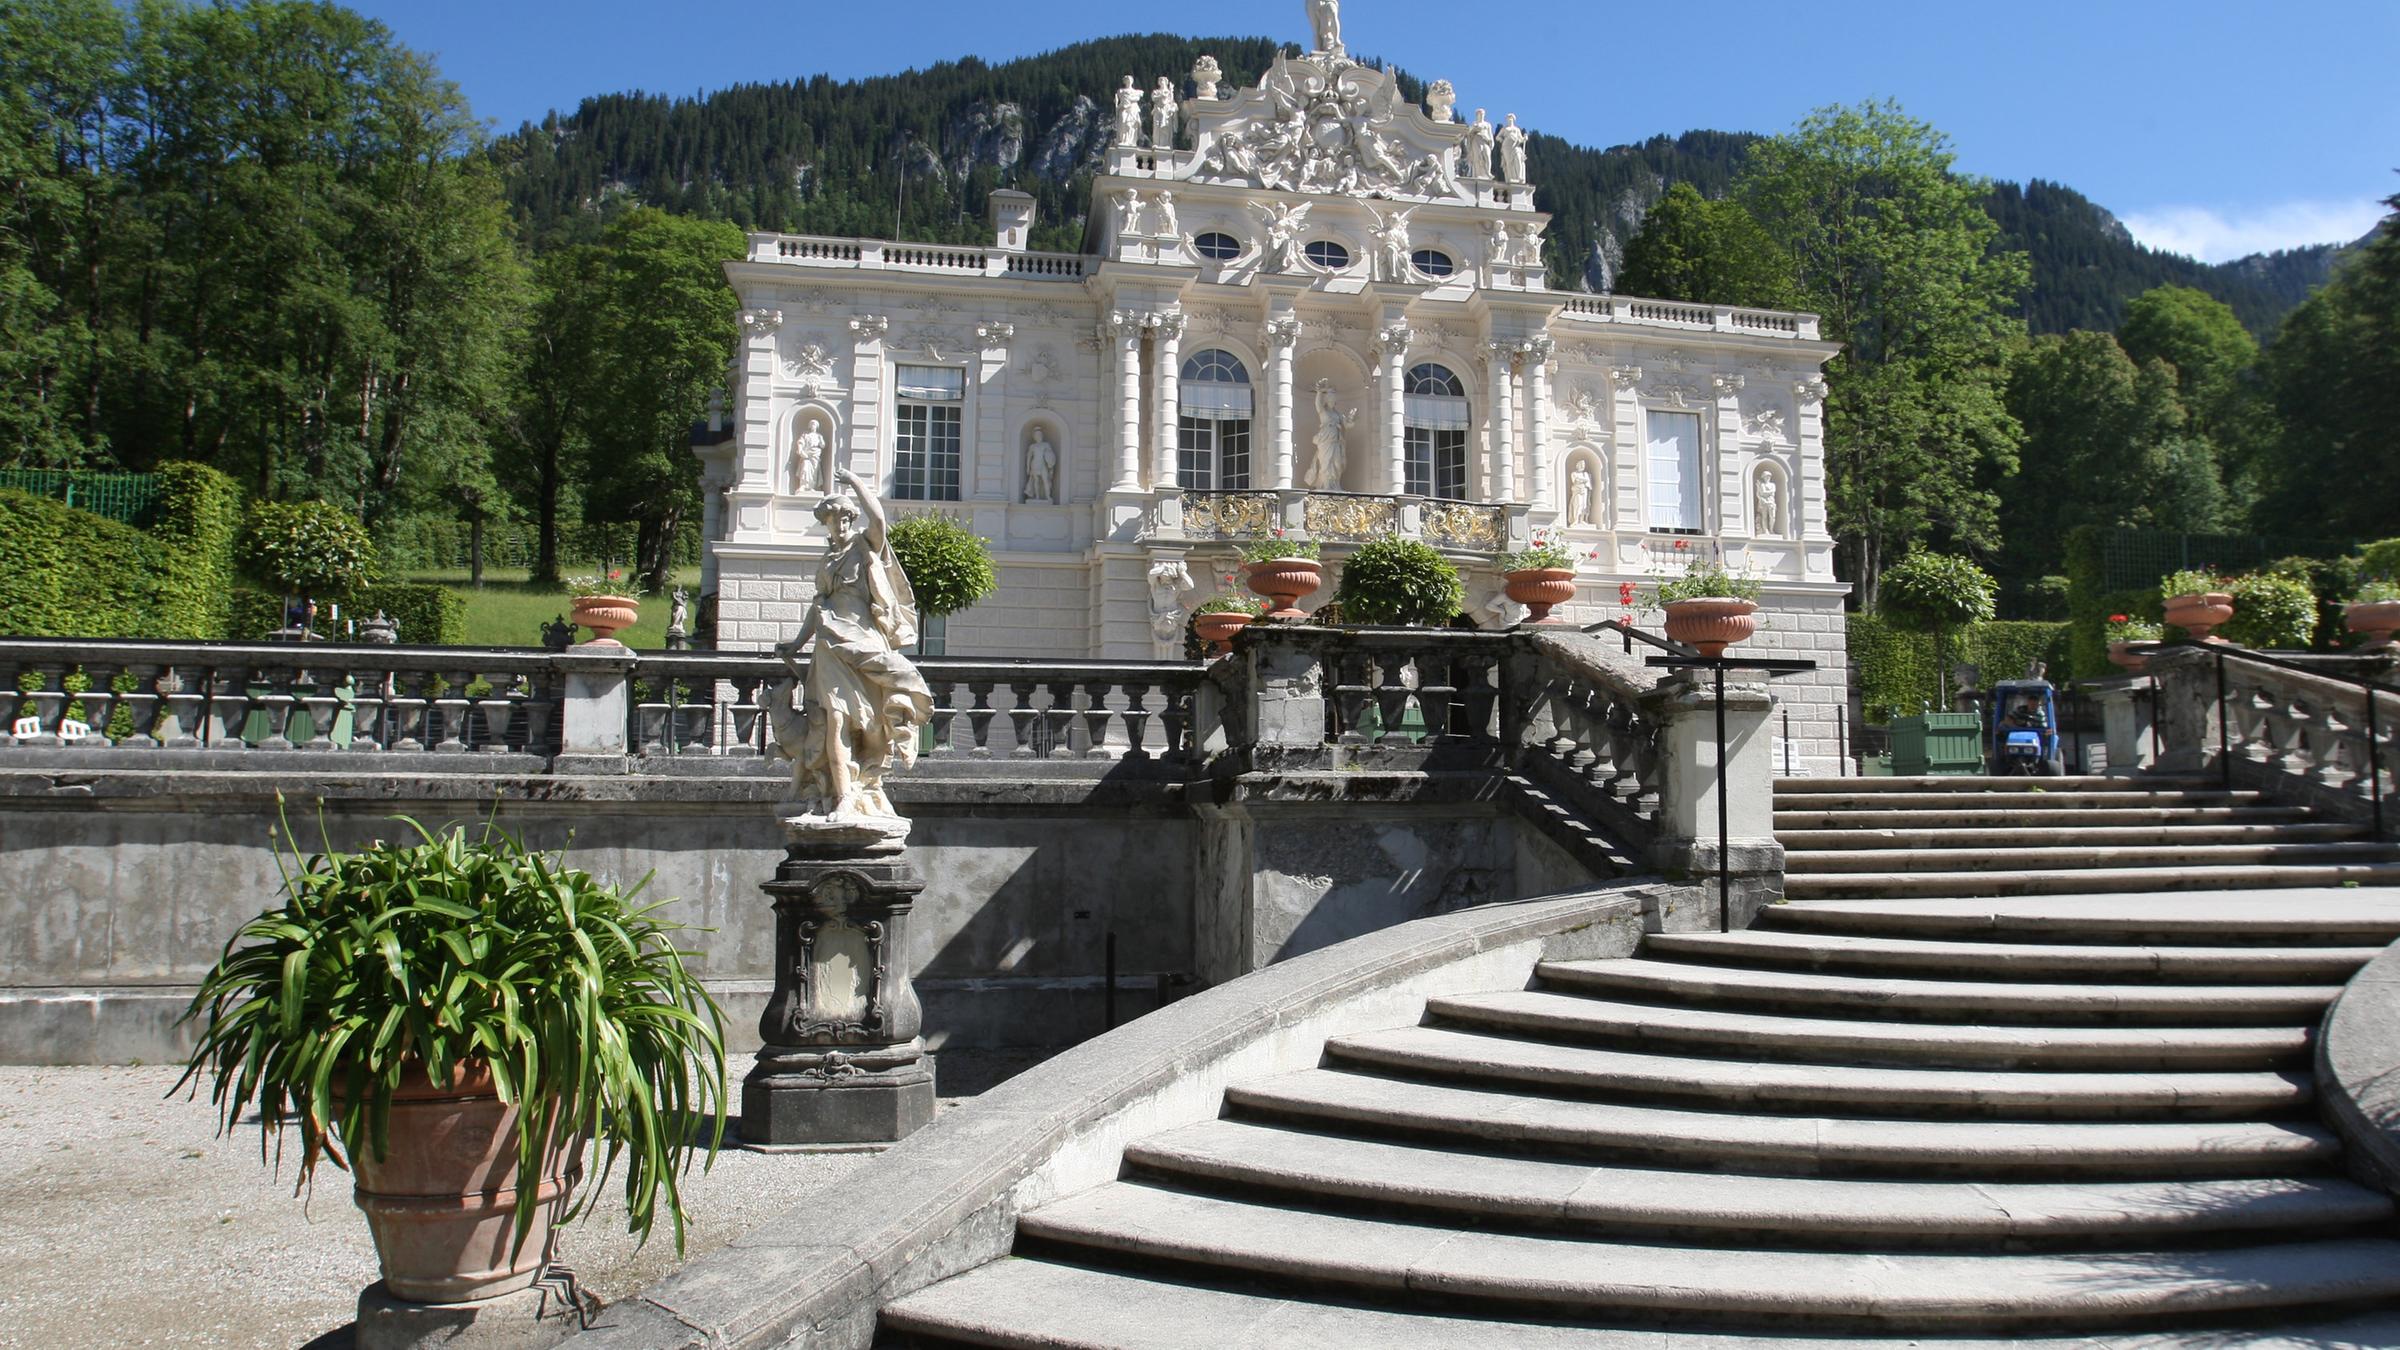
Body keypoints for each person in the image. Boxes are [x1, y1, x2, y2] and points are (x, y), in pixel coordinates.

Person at [774, 470, 934, 819]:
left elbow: (878, 518)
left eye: (846, 516)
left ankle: (869, 784)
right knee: (834, 721)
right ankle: (844, 795)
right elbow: (818, 608)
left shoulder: (865, 546)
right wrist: (797, 644)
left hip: (864, 641)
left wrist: (855, 483)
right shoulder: (828, 560)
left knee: (874, 724)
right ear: (827, 523)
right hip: (830, 645)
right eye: (834, 518)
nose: (841, 523)